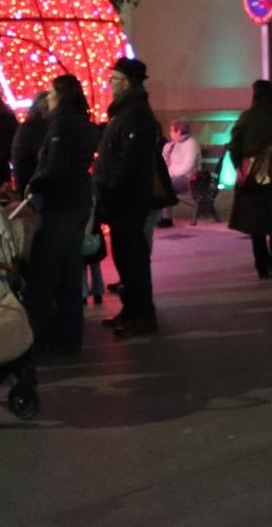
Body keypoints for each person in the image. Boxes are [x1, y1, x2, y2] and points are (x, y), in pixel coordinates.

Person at [94, 56, 171, 338]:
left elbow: (130, 161)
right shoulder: (126, 112)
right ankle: (132, 310)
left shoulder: (136, 114)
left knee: (134, 258)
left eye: (114, 80)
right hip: (121, 199)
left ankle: (142, 313)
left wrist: (110, 186)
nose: (110, 84)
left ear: (127, 83)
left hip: (128, 200)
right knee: (125, 258)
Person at [27, 75, 99, 355]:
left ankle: (41, 337)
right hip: (78, 201)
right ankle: (70, 338)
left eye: (51, 93)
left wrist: (35, 183)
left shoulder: (61, 124)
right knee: (70, 272)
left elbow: (56, 167)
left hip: (60, 206)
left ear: (62, 95)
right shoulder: (81, 121)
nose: (48, 97)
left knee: (44, 274)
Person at [227, 81, 272, 279]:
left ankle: (262, 265)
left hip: (251, 177)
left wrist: (241, 168)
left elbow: (234, 146)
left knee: (255, 223)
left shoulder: (246, 117)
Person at [160, 119, 200, 229]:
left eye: (172, 130)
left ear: (179, 131)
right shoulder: (171, 145)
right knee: (157, 182)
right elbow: (164, 163)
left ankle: (166, 218)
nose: (170, 133)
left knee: (165, 184)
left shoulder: (191, 144)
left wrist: (170, 171)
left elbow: (188, 167)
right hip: (173, 177)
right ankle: (158, 216)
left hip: (190, 178)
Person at [11, 91, 50, 195]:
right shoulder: (29, 129)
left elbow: (19, 161)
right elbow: (20, 161)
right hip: (35, 185)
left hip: (34, 185)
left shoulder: (27, 128)